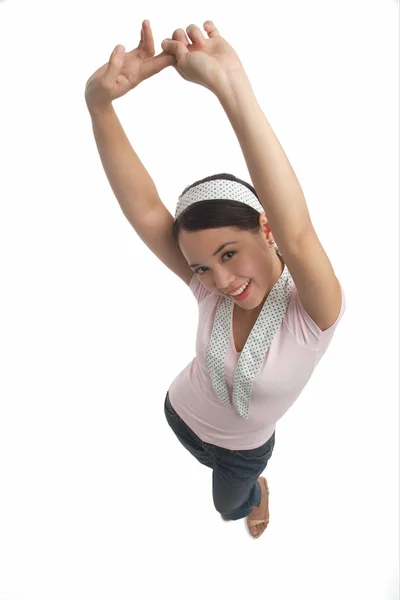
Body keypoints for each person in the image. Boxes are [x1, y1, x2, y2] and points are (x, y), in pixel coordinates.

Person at [85, 19, 346, 539]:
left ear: (265, 227)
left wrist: (230, 86)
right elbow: (143, 208)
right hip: (179, 410)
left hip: (240, 455)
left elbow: (299, 233)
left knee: (228, 508)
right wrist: (99, 106)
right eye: (202, 266)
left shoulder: (312, 309)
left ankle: (257, 491)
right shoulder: (208, 285)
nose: (220, 280)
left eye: (230, 253)